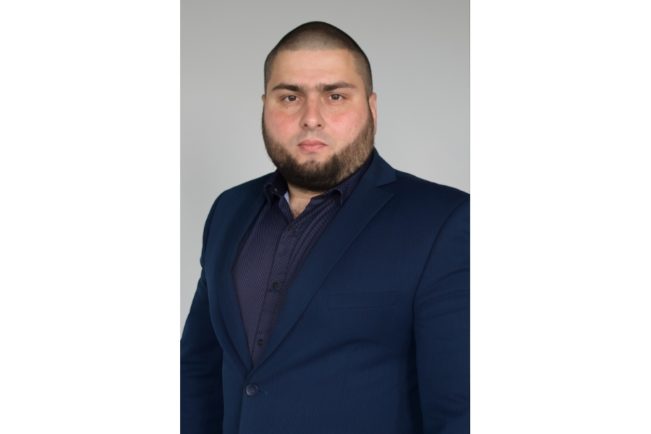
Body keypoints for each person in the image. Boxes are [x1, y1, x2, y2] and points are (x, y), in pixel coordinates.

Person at [181, 21, 469, 434]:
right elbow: (198, 372)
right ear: (265, 106)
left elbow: (460, 411)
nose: (311, 118)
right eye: (289, 97)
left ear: (371, 107)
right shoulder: (229, 210)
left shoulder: (444, 221)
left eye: (335, 96)